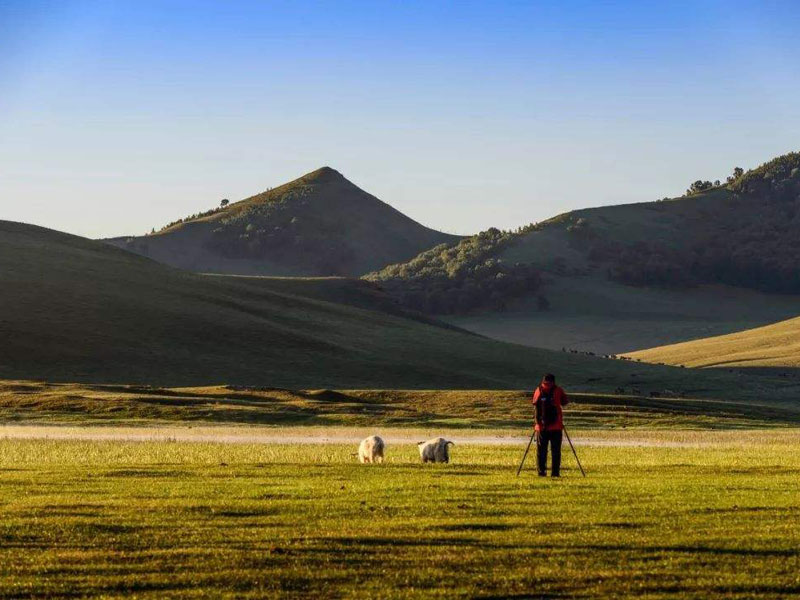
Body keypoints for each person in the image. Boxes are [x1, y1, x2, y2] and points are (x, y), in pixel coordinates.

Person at [532, 373, 569, 477]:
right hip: (556, 426)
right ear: (554, 381)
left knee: (541, 451)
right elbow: (565, 402)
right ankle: (555, 473)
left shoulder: (538, 390)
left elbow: (534, 403)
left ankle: (541, 472)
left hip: (541, 426)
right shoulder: (558, 390)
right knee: (556, 451)